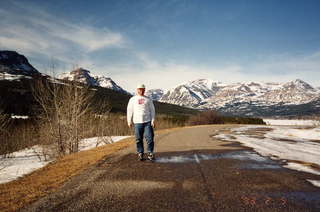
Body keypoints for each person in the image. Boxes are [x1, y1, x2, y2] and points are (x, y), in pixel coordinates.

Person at [127, 84, 156, 161]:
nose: (141, 91)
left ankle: (150, 153)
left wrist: (153, 120)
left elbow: (152, 110)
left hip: (147, 122)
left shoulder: (148, 99)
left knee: (150, 138)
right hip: (137, 122)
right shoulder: (132, 99)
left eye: (143, 89)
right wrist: (129, 120)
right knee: (138, 139)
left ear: (144, 90)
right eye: (140, 89)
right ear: (137, 90)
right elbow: (129, 110)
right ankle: (140, 153)